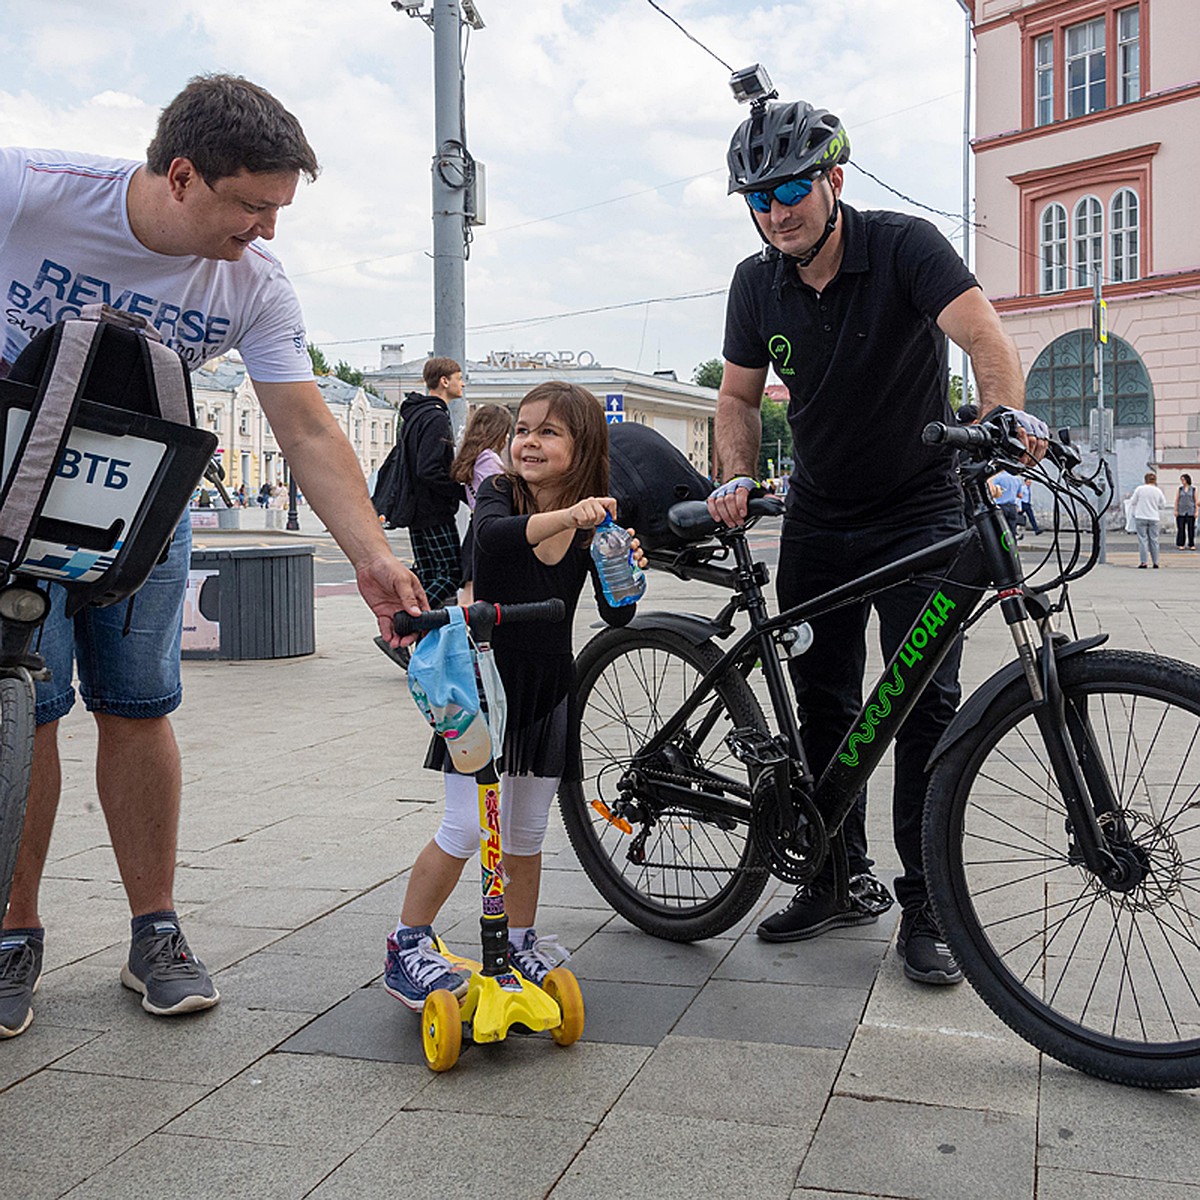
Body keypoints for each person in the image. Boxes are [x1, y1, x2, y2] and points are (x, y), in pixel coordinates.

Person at [0, 74, 425, 1040]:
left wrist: (370, 557)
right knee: (25, 706)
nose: (267, 231)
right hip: (14, 486)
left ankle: (157, 933)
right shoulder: (30, 188)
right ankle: (12, 934)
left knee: (139, 708)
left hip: (141, 498)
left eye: (279, 209)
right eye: (253, 206)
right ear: (183, 175)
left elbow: (309, 430)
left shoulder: (255, 284)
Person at [709, 98, 1046, 986]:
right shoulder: (756, 282)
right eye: (758, 196)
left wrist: (1004, 416)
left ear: (832, 180)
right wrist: (733, 475)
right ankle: (831, 879)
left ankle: (926, 905)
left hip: (922, 509)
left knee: (926, 706)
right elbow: (738, 397)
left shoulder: (903, 246)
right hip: (820, 517)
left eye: (791, 187)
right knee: (823, 702)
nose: (777, 209)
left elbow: (983, 337)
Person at [383, 382, 641, 1009]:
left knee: (525, 833)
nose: (528, 441)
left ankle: (518, 939)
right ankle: (407, 942)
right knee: (467, 827)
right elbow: (498, 539)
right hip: (481, 689)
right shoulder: (499, 492)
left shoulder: (595, 522)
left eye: (548, 432)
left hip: (547, 688)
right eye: (523, 429)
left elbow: (616, 615)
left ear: (583, 448)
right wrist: (574, 518)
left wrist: (626, 567)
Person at [400, 358, 467, 609]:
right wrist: (460, 491)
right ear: (444, 381)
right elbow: (428, 469)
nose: (463, 384)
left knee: (428, 575)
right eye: (459, 378)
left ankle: (421, 639)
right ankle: (404, 621)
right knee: (451, 573)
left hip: (415, 508)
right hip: (434, 509)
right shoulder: (436, 417)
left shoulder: (415, 414)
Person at [450, 403, 513, 604]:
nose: (508, 437)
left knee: (471, 588)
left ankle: (462, 631)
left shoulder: (473, 457)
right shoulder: (489, 459)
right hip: (488, 527)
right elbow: (499, 494)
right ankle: (462, 632)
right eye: (506, 431)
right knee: (476, 593)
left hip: (475, 525)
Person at [1130, 472, 1167, 568]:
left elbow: (1133, 501)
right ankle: (1156, 562)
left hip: (1141, 516)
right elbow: (1163, 505)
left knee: (1143, 540)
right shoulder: (1158, 491)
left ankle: (1144, 562)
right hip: (1154, 517)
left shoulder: (1139, 489)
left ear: (1145, 480)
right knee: (1154, 540)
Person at [989, 468, 1023, 544]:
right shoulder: (1017, 479)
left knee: (1000, 530)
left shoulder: (998, 478)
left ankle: (1002, 549)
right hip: (1012, 507)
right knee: (1012, 530)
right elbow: (1020, 495)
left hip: (1001, 506)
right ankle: (1013, 549)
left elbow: (992, 491)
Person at [1175, 473, 1196, 551]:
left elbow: (1196, 501)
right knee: (1181, 528)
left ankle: (1191, 544)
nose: (1182, 481)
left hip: (1190, 511)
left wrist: (1196, 511)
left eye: (1183, 479)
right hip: (1181, 511)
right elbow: (1177, 500)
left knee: (1191, 528)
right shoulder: (1180, 489)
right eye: (1181, 480)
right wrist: (1176, 510)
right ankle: (1181, 544)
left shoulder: (1193, 489)